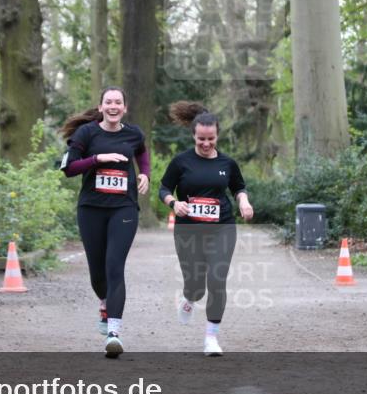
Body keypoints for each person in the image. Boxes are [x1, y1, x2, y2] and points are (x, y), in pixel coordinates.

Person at [159, 101, 253, 356]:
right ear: (193, 136)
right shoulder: (181, 162)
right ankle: (189, 297)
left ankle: (211, 336)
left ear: (217, 136)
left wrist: (243, 201)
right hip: (188, 231)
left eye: (210, 139)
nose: (206, 143)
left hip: (222, 227)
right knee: (196, 285)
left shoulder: (227, 163)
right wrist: (173, 203)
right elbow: (164, 188)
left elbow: (238, 187)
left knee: (217, 280)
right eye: (201, 139)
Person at [60, 86, 149, 357]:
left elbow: (142, 155)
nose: (113, 106)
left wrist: (145, 173)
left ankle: (113, 333)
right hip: (91, 209)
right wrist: (98, 158)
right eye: (108, 102)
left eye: (118, 102)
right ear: (101, 107)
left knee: (114, 267)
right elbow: (69, 169)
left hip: (124, 209)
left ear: (124, 108)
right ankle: (103, 301)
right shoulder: (86, 133)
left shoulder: (134, 133)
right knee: (97, 274)